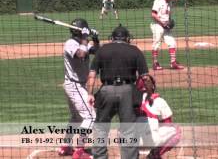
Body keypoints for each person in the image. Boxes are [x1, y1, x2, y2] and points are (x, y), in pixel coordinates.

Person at [87, 24, 149, 159]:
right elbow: (145, 77)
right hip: (128, 91)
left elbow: (92, 75)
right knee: (128, 129)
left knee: (101, 128)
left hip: (106, 91)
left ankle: (99, 157)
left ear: (112, 38)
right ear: (127, 38)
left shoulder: (102, 50)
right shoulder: (135, 50)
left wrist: (90, 94)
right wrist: (150, 94)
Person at [57, 18, 100, 159]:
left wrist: (95, 38)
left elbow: (97, 51)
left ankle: (65, 146)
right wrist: (85, 38)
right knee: (91, 116)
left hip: (78, 85)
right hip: (74, 85)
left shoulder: (83, 42)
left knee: (76, 117)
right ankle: (79, 151)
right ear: (81, 31)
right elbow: (80, 53)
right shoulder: (70, 44)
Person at [136, 75, 181, 159]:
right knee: (176, 130)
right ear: (152, 86)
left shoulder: (129, 100)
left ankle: (132, 154)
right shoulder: (159, 101)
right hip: (150, 140)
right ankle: (155, 154)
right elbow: (168, 123)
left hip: (131, 140)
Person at [150, 0, 184, 70]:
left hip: (165, 27)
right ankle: (155, 63)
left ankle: (173, 63)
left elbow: (167, 16)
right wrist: (162, 23)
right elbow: (153, 15)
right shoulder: (158, 1)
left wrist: (168, 23)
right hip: (157, 25)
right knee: (156, 44)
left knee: (172, 42)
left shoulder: (169, 3)